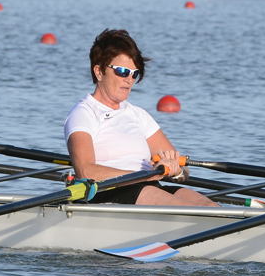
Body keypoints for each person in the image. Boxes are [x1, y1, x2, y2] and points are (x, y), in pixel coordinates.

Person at [64, 29, 214, 206]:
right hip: (108, 191)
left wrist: (176, 170)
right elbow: (86, 171)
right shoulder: (84, 114)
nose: (129, 79)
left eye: (134, 73)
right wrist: (140, 176)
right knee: (184, 208)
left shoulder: (138, 115)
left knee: (209, 206)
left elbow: (182, 168)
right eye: (122, 71)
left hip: (149, 185)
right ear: (99, 71)